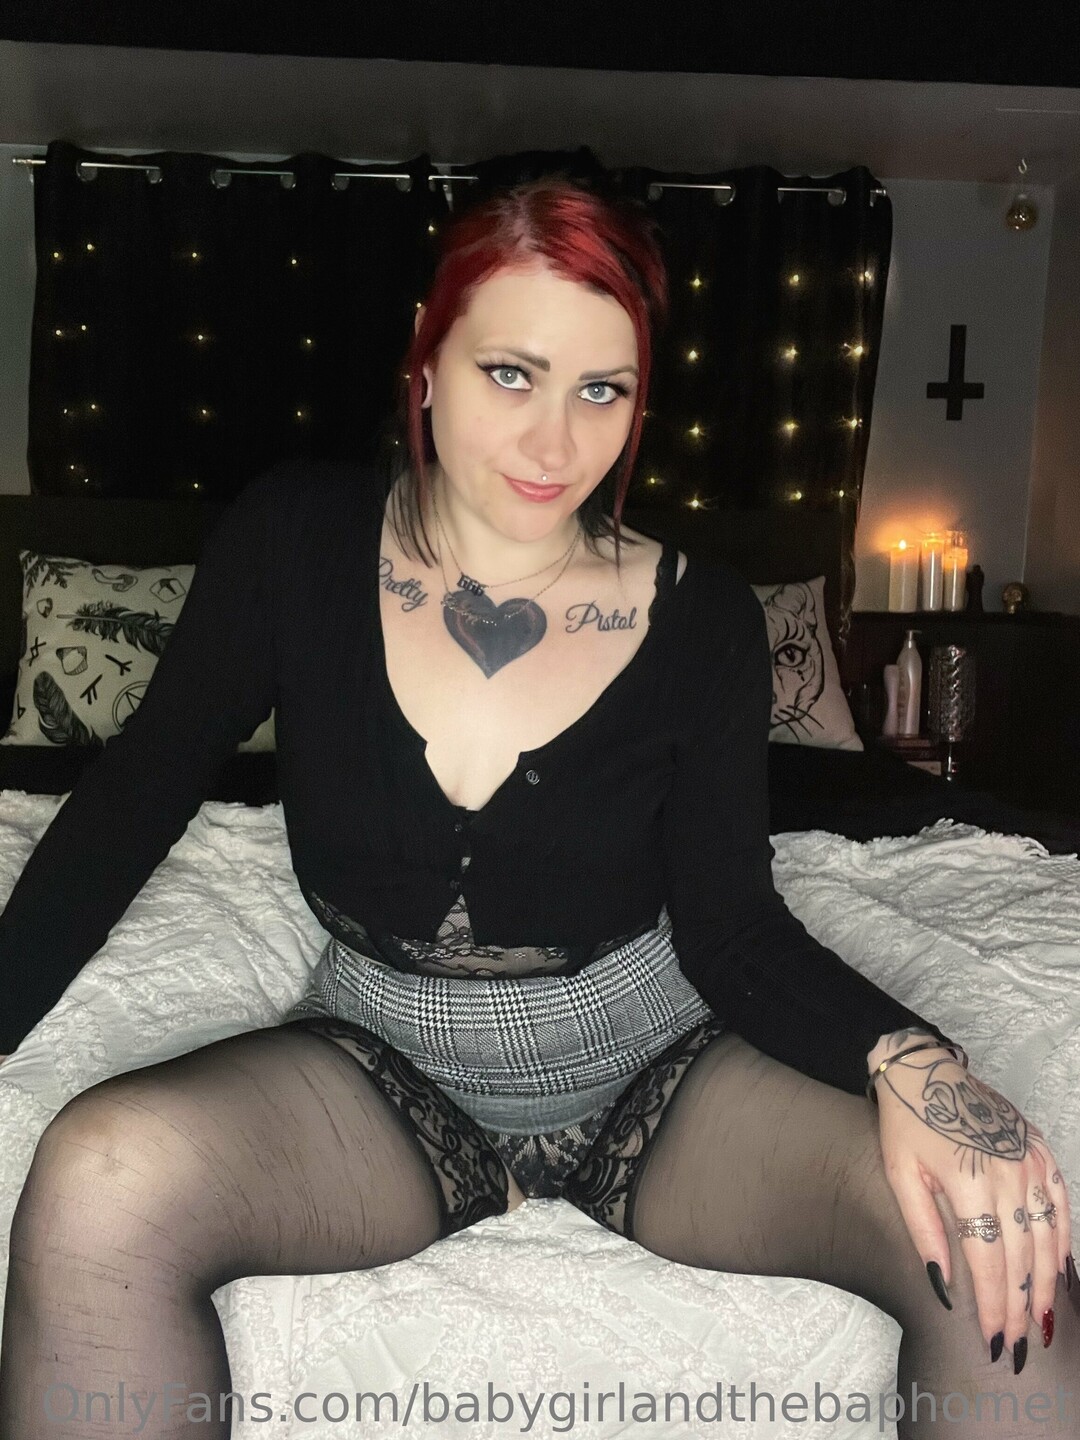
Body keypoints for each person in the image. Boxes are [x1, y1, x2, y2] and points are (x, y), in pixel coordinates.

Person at [0, 175, 1076, 1439]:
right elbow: (136, 793)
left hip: (657, 1064)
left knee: (989, 1238)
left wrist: (917, 1065)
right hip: (383, 1065)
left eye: (601, 391)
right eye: (511, 373)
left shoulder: (704, 620)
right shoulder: (294, 540)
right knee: (98, 1178)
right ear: (428, 358)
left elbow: (734, 927)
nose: (555, 446)